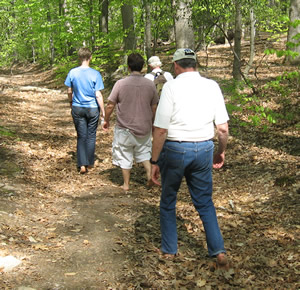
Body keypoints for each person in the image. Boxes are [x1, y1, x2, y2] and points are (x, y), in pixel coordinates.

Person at [150, 48, 230, 268]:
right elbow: (222, 128)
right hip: (204, 148)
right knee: (204, 202)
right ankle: (218, 251)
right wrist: (220, 151)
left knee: (168, 201)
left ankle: (169, 249)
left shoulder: (170, 87)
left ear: (176, 66)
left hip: (175, 149)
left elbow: (160, 129)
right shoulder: (212, 86)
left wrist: (154, 160)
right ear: (195, 64)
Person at [103, 53, 158, 192]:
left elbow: (110, 105)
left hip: (124, 127)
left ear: (128, 67)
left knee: (124, 153)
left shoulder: (121, 83)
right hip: (144, 126)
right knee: (145, 152)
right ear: (143, 67)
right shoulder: (150, 84)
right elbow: (154, 106)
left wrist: (106, 120)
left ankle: (126, 184)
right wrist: (153, 123)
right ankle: (149, 176)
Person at [64, 47, 105, 174]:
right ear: (90, 57)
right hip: (92, 108)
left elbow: (69, 90)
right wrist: (103, 112)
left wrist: (71, 102)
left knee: (81, 136)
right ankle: (90, 162)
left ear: (79, 57)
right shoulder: (95, 74)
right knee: (91, 135)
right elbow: (98, 94)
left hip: (77, 107)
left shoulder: (73, 72)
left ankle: (82, 164)